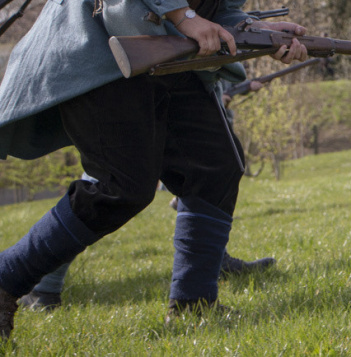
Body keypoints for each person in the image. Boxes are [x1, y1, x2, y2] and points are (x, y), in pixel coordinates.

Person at [0, 0, 335, 339]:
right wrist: (184, 17)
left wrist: (261, 31)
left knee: (216, 166)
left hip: (163, 58)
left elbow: (225, 12)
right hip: (101, 51)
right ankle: (7, 280)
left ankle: (194, 309)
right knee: (124, 186)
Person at [19, 80, 272, 312]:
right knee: (112, 183)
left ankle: (199, 289)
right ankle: (35, 283)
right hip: (132, 77)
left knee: (209, 170)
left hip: (178, 76)